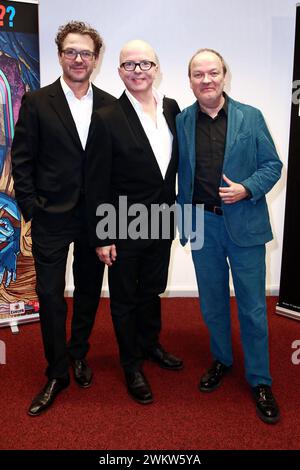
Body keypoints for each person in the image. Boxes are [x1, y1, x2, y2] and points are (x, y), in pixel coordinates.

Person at [11, 21, 116, 416]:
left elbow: (114, 165)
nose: (78, 59)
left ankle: (78, 354)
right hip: (50, 217)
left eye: (85, 53)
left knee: (89, 293)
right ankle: (56, 371)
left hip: (95, 220)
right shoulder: (38, 101)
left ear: (95, 59)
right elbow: (22, 159)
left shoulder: (110, 104)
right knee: (51, 296)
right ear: (60, 55)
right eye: (71, 51)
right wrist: (30, 208)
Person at [176, 48, 282, 424]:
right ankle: (222, 359)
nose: (206, 80)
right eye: (198, 74)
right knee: (212, 304)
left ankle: (260, 380)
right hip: (203, 226)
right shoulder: (182, 120)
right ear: (190, 80)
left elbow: (273, 165)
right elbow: (177, 173)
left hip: (245, 224)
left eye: (213, 73)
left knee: (253, 308)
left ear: (224, 76)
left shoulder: (250, 117)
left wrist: (247, 188)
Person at [86, 40, 183, 405]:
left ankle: (150, 344)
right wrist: (102, 235)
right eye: (129, 65)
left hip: (161, 218)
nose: (137, 70)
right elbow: (96, 181)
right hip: (122, 223)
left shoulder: (173, 109)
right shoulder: (107, 116)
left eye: (144, 64)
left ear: (156, 68)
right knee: (125, 298)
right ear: (119, 71)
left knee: (152, 288)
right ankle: (131, 364)